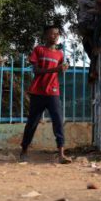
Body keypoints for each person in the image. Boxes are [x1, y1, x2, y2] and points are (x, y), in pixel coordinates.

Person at [19, 25, 70, 164]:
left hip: (53, 91)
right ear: (46, 36)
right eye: (52, 34)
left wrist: (63, 68)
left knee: (58, 121)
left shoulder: (60, 54)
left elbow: (58, 71)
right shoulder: (39, 50)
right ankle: (24, 150)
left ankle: (61, 153)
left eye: (57, 34)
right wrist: (56, 68)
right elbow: (36, 71)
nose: (55, 36)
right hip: (38, 91)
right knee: (32, 122)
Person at [74, 0, 100, 80]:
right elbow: (95, 5)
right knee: (95, 47)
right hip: (87, 25)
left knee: (93, 51)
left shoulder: (83, 1)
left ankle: (92, 73)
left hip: (86, 27)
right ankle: (92, 72)